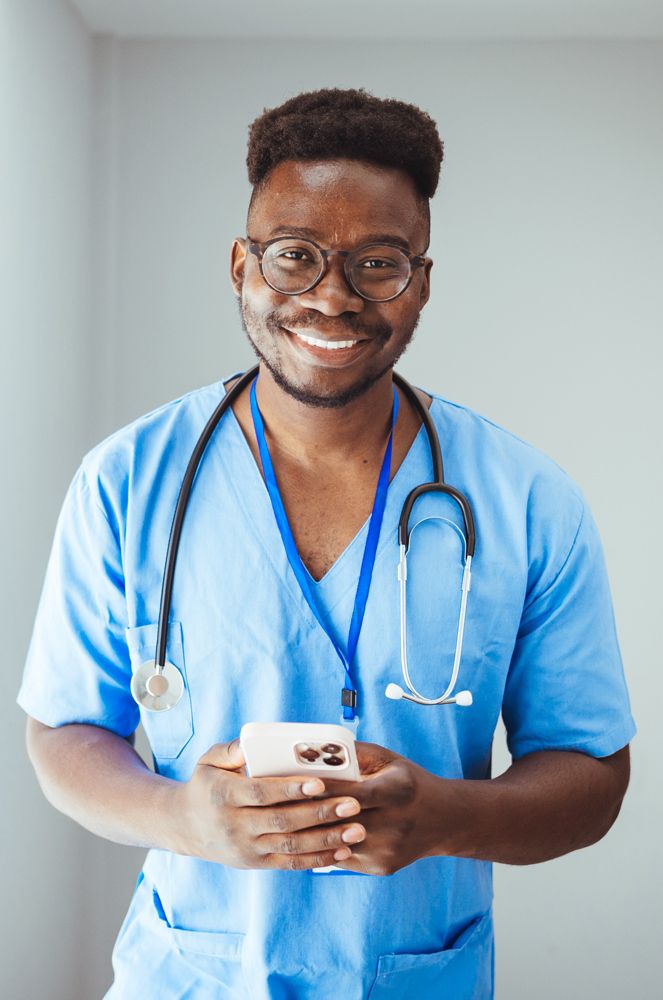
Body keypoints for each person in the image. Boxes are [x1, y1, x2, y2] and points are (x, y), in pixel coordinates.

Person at [19, 88, 635, 999]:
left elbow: (590, 775)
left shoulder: (526, 501)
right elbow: (65, 731)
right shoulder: (126, 481)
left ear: (421, 280)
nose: (332, 298)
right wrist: (184, 819)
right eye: (294, 256)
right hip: (188, 974)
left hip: (413, 976)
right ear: (241, 265)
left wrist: (440, 818)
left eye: (377, 263)